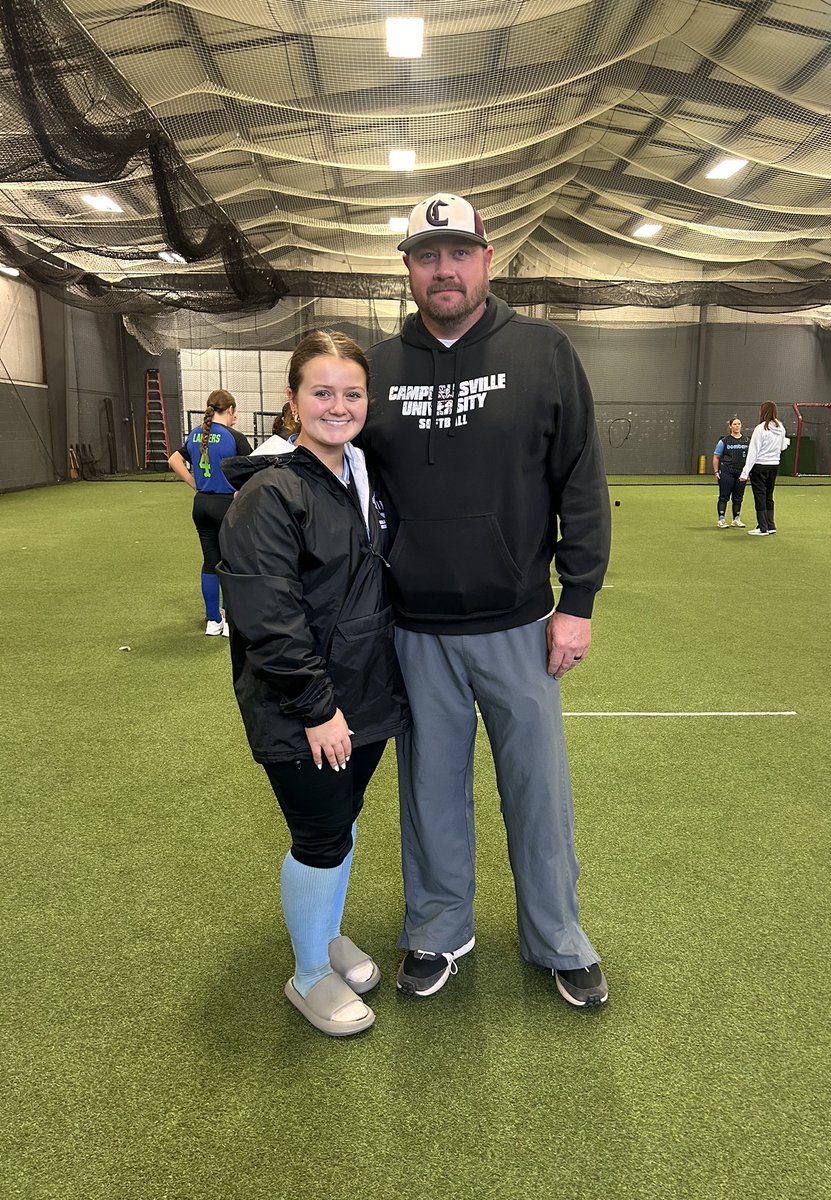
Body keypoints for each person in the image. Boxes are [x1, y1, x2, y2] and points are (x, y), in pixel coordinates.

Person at [358, 192, 612, 1009]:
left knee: (538, 791)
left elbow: (581, 479)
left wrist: (578, 598)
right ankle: (437, 929)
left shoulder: (543, 351)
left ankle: (556, 935)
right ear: (407, 267)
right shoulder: (377, 368)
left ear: (487, 259)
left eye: (458, 253)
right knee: (430, 792)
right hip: (414, 628)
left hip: (520, 623)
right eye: (428, 256)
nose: (444, 269)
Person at [217, 331, 409, 1038]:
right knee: (319, 838)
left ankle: (323, 937)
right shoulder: (269, 492)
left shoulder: (361, 473)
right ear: (292, 402)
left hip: (365, 698)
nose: (338, 405)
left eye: (351, 393)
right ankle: (306, 975)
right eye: (321, 392)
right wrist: (316, 707)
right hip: (307, 710)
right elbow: (269, 618)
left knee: (343, 823)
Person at [167, 390, 252, 636]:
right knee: (231, 562)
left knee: (210, 562)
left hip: (202, 505)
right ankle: (229, 623)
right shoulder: (234, 437)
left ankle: (213, 621)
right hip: (227, 506)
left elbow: (174, 460)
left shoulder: (195, 434)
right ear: (231, 410)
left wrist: (195, 484)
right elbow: (253, 471)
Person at [740, 400, 788, 535]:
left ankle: (762, 527)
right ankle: (770, 525)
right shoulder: (781, 428)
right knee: (768, 495)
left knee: (760, 496)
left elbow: (753, 452)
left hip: (760, 466)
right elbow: (783, 446)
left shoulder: (760, 429)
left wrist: (745, 473)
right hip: (774, 466)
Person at [712, 416, 749, 528]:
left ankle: (736, 519)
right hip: (727, 471)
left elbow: (750, 457)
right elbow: (716, 457)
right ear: (730, 426)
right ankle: (721, 519)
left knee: (738, 497)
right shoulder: (724, 441)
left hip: (741, 472)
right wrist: (716, 471)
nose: (737, 426)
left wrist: (748, 472)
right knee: (724, 496)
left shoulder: (747, 441)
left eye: (739, 424)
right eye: (735, 424)